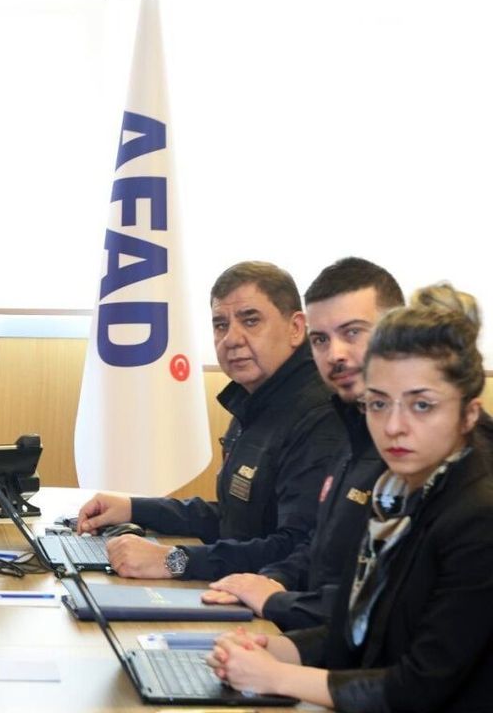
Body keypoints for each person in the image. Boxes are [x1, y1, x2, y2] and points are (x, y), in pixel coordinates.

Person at [208, 283, 493, 711]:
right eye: (378, 405)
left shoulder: (478, 516)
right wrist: (270, 650)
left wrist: (279, 676)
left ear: (468, 414)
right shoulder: (394, 494)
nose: (394, 426)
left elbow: (420, 686)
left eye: (421, 406)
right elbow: (359, 631)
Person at [77, 261, 344, 580]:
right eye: (220, 324)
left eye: (251, 320)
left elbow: (296, 552)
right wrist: (134, 508)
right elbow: (235, 520)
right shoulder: (255, 398)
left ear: (296, 328)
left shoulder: (319, 415)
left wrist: (174, 560)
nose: (232, 338)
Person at [203, 258, 405, 629]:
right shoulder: (355, 425)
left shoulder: (329, 418)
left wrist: (277, 606)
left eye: (353, 332)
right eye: (321, 340)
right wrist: (272, 584)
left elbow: (385, 616)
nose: (335, 354)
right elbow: (318, 551)